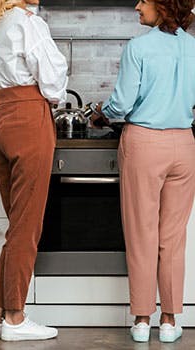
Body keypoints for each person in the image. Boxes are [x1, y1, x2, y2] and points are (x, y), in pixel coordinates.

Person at [91, 0, 195, 343]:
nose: (137, 6)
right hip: (185, 143)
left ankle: (140, 320)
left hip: (145, 143)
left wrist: (102, 113)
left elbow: (121, 104)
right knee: (172, 239)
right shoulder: (193, 46)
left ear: (162, 5)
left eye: (144, 0)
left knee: (142, 236)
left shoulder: (139, 47)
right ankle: (169, 320)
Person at [0, 0, 68, 342]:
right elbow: (52, 80)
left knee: (17, 223)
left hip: (1, 119)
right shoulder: (29, 23)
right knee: (27, 225)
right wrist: (49, 99)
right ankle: (16, 317)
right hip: (28, 115)